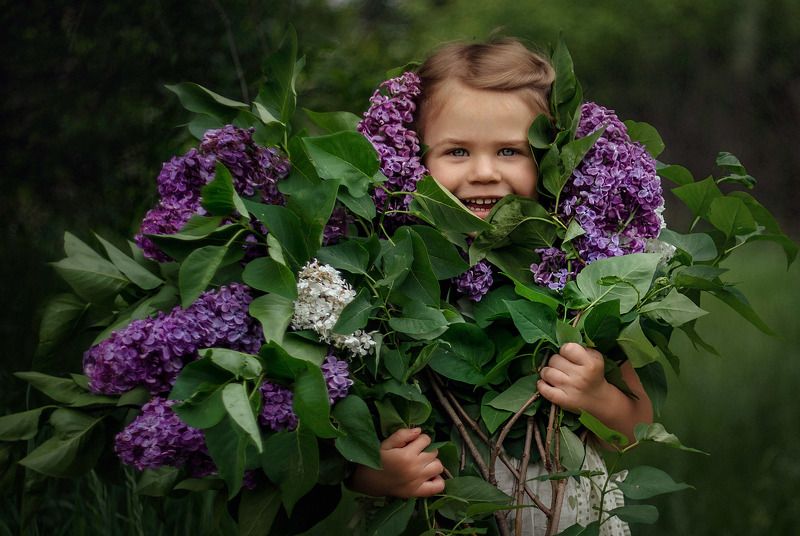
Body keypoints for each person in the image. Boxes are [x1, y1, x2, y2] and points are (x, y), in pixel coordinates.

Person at [349, 38, 653, 535]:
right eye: (457, 151)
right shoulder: (385, 281)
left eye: (510, 150)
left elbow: (635, 431)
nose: (484, 173)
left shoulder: (580, 279)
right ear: (411, 156)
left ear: (551, 158)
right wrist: (370, 473)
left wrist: (597, 394)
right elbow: (335, 437)